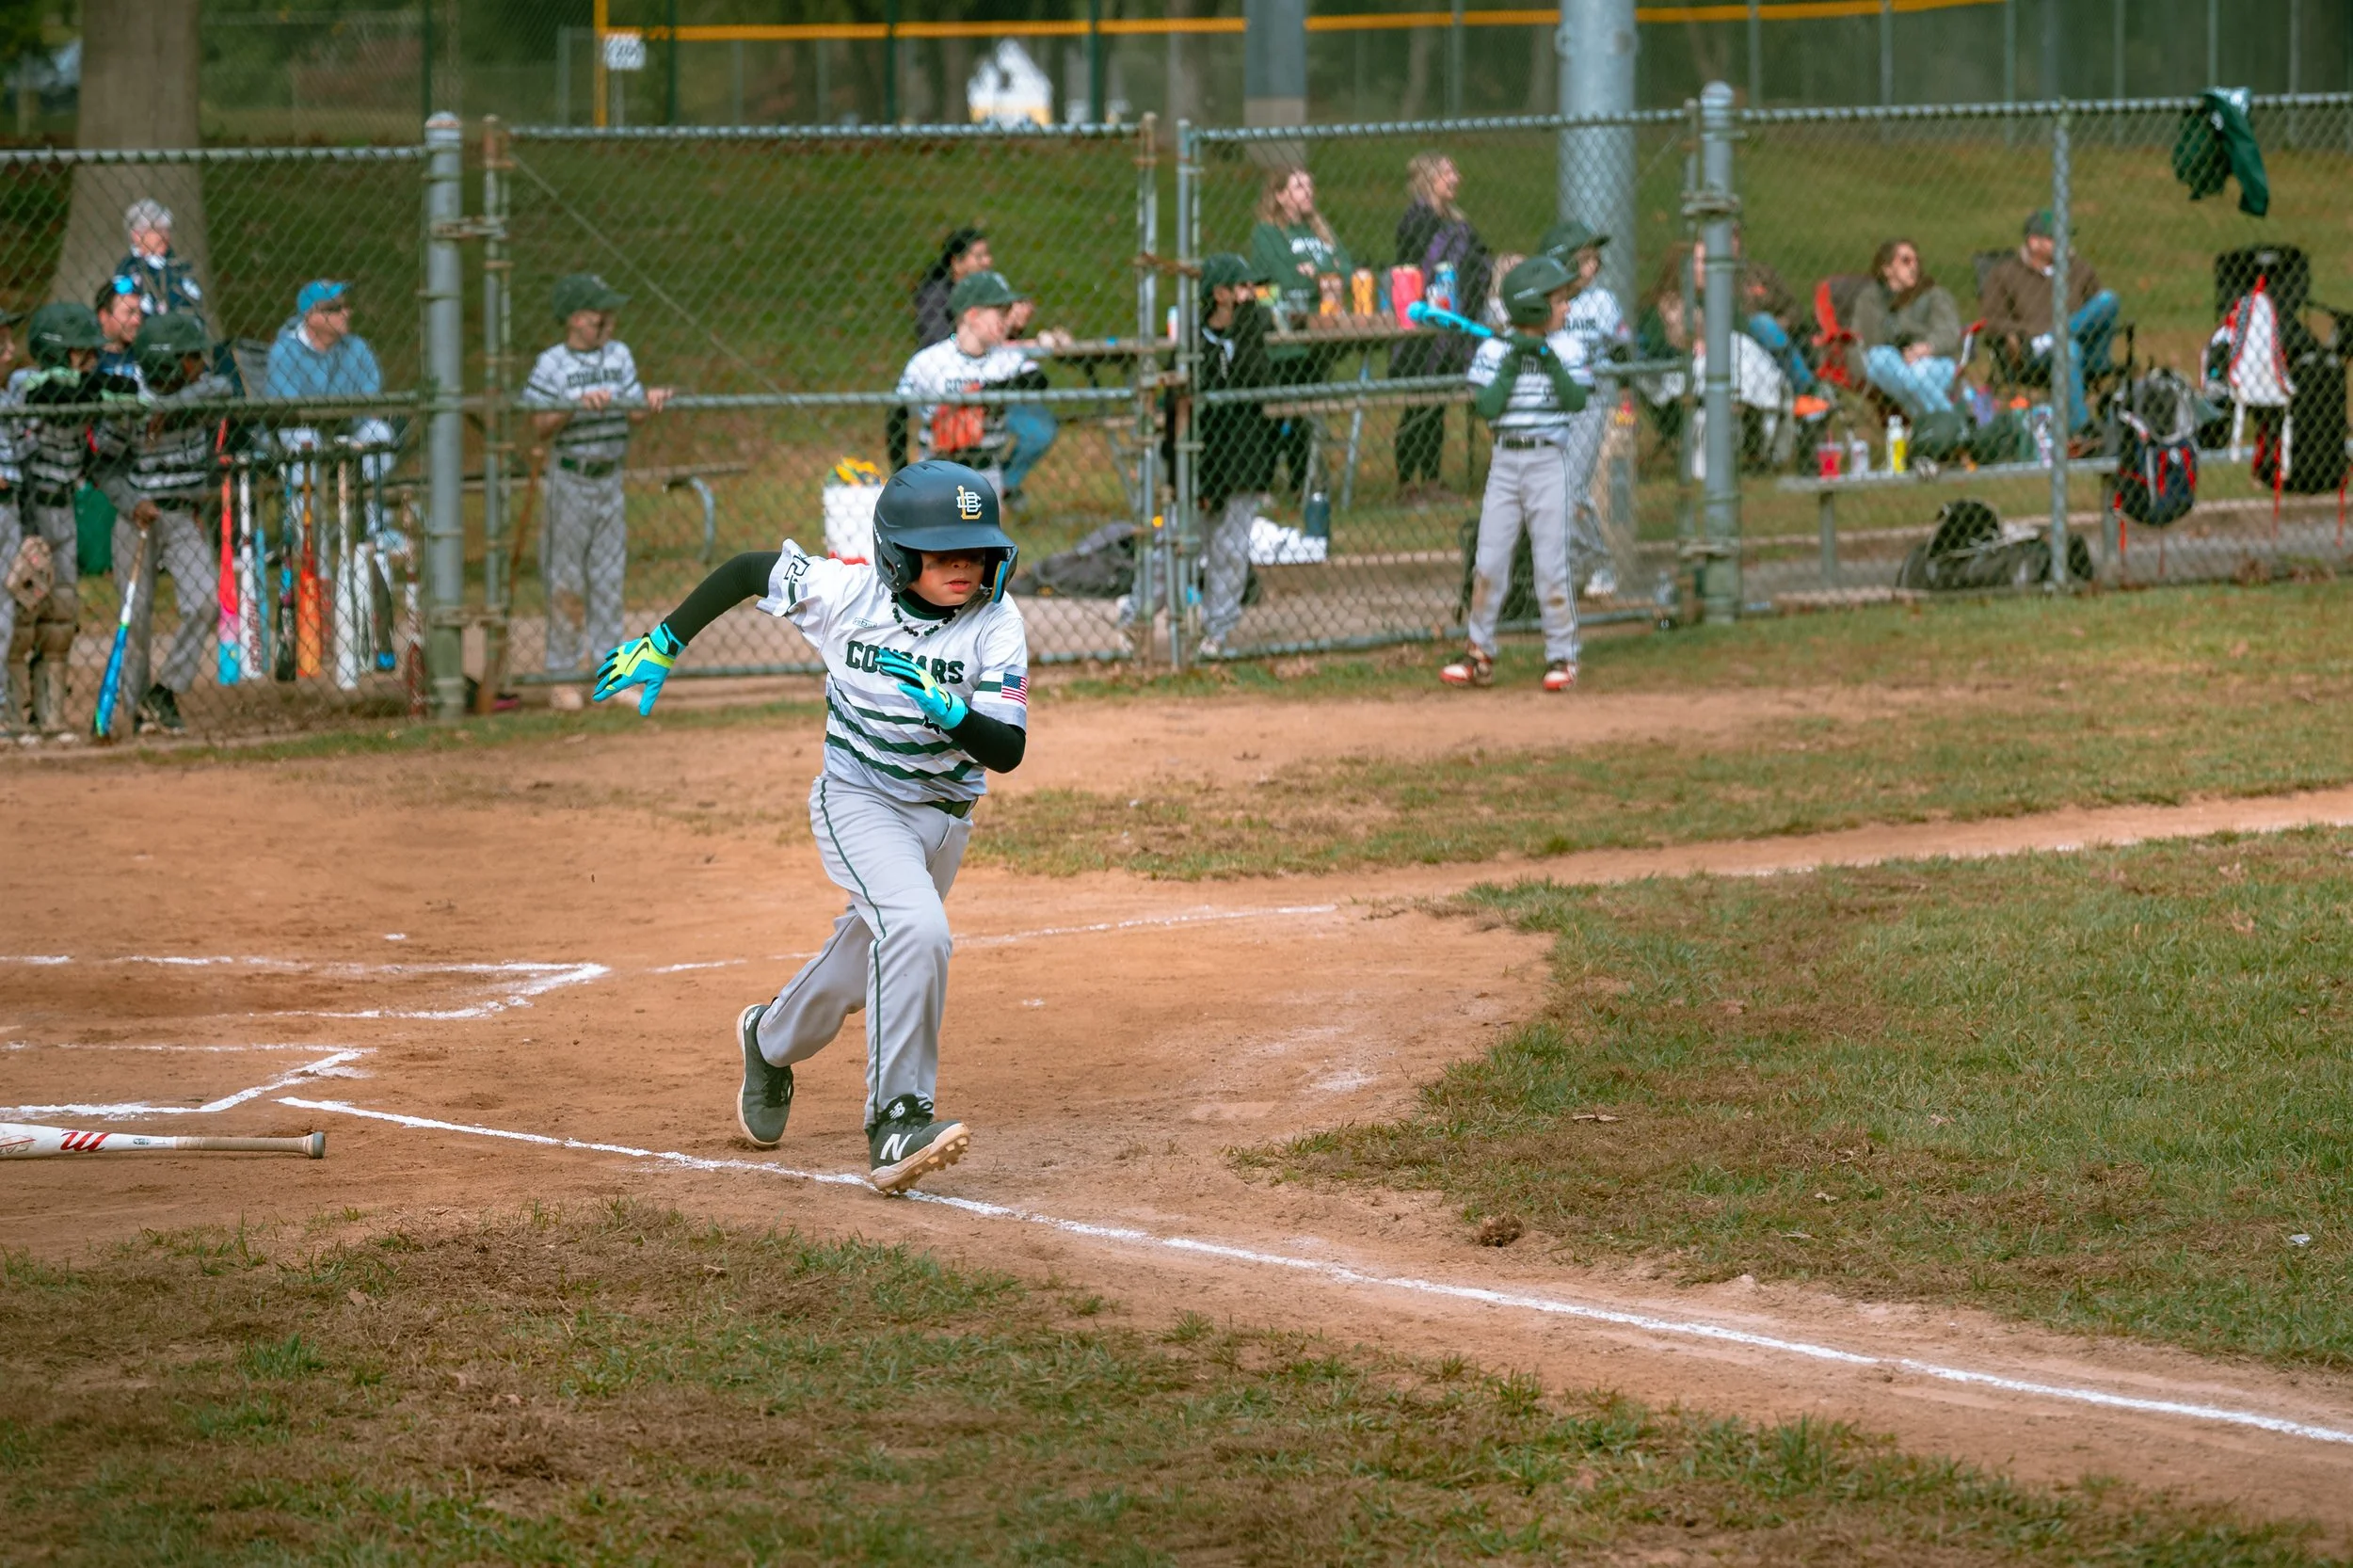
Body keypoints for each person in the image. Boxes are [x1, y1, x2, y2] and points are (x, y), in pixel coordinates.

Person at [589, 459, 1030, 1196]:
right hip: (859, 799)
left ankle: (768, 1040)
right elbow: (746, 570)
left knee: (866, 963)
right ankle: (896, 1120)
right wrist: (665, 641)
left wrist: (954, 714)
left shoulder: (996, 624)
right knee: (917, 930)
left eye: (977, 549)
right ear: (896, 556)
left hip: (945, 819)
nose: (964, 564)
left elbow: (1007, 750)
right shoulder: (846, 593)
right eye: (942, 550)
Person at [520, 271, 671, 710]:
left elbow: (633, 413)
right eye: (597, 314)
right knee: (566, 579)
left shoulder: (619, 355)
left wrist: (648, 401)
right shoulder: (553, 363)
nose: (607, 320)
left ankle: (612, 677)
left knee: (608, 580)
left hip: (610, 478)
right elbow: (539, 424)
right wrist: (574, 405)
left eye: (608, 313)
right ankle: (563, 676)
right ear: (573, 319)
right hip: (570, 478)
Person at [1444, 255, 1589, 694]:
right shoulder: (1493, 352)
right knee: (1488, 561)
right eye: (1559, 301)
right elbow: (1487, 408)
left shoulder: (1567, 347)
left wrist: (1544, 356)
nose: (1566, 309)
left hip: (1548, 462)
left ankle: (1562, 655)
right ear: (1533, 307)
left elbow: (1574, 400)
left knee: (1551, 564)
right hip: (1505, 463)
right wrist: (1512, 364)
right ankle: (1478, 653)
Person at [100, 312, 229, 735]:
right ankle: (136, 710)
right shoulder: (127, 402)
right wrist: (133, 501)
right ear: (167, 363)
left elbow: (226, 386)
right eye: (191, 359)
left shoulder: (201, 391)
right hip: (137, 519)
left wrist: (171, 408)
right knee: (135, 621)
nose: (201, 366)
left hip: (182, 517)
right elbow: (105, 469)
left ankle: (164, 692)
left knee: (205, 602)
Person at [4, 304, 121, 737]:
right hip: (29, 510)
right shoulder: (26, 383)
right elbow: (51, 392)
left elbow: (121, 400)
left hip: (66, 510)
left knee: (61, 616)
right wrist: (93, 389)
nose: (90, 359)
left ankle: (50, 717)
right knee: (22, 614)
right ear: (56, 352)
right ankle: (14, 716)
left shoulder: (92, 387)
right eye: (79, 352)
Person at [894, 269, 1056, 509]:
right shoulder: (931, 361)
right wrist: (899, 475)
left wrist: (982, 394)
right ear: (972, 315)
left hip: (986, 472)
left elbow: (1037, 379)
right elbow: (897, 414)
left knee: (989, 543)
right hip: (936, 471)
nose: (1007, 320)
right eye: (999, 313)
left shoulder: (1005, 359)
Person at [1183, 253, 1277, 661]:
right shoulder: (1195, 341)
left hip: (1241, 457)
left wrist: (1249, 327)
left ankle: (1217, 631)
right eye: (1241, 288)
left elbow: (1254, 379)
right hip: (1199, 458)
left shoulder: (1252, 330)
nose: (1249, 296)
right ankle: (1138, 617)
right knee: (1179, 543)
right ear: (1220, 294)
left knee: (1230, 549)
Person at [1538, 217, 1629, 598]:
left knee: (1570, 488)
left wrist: (1626, 400)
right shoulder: (1544, 304)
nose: (1594, 267)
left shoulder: (1602, 302)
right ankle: (1575, 566)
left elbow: (1624, 353)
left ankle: (1600, 562)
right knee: (1554, 489)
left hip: (1592, 403)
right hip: (1551, 404)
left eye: (1595, 259)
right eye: (1586, 258)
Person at [1248, 167, 1351, 496]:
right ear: (1279, 195)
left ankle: (1300, 485)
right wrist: (1324, 274)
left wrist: (1315, 272)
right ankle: (1266, 481)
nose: (1308, 192)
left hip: (1320, 337)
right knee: (1281, 410)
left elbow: (1347, 271)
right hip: (1283, 339)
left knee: (1306, 408)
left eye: (1309, 185)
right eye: (1298, 187)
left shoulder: (1320, 231)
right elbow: (1284, 278)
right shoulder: (1268, 233)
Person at [265, 280, 395, 537]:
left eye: (345, 306)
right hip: (302, 432)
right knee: (305, 441)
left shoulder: (357, 348)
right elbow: (289, 411)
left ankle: (377, 528)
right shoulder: (284, 351)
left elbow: (371, 401)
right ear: (311, 315)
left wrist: (343, 413)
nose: (346, 313)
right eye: (335, 309)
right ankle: (309, 537)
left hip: (348, 427)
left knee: (378, 433)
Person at [1392, 153, 1490, 495]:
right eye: (1448, 172)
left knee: (1438, 407)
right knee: (1418, 403)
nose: (1455, 178)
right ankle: (1407, 482)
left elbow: (1479, 260)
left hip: (1450, 322)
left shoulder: (1458, 224)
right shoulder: (1416, 219)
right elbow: (1415, 261)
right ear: (1430, 177)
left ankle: (1431, 479)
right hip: (1421, 322)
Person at [1979, 209, 2120, 431]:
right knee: (2068, 349)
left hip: (2086, 348)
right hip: (2034, 355)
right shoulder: (2005, 274)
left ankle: (2053, 338)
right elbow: (1993, 323)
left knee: (2108, 299)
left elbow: (2096, 312)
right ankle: (2081, 432)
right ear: (2034, 242)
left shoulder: (2079, 270)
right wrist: (2029, 333)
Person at [1853, 237, 1963, 424]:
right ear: (1886, 269)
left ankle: (1950, 427)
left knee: (1918, 375)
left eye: (1916, 261)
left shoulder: (1933, 294)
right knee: (1878, 358)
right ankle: (1947, 426)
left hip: (1934, 361)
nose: (1914, 266)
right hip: (1895, 363)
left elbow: (1949, 333)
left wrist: (1926, 348)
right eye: (1906, 261)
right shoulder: (1871, 298)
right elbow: (1871, 340)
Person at [114, 199, 205, 330]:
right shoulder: (127, 268)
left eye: (166, 230)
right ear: (137, 235)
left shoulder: (179, 265)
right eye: (157, 230)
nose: (164, 236)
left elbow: (194, 298)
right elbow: (126, 300)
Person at [94, 276, 144, 384]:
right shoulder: (89, 358)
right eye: (129, 312)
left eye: (139, 312)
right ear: (104, 316)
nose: (137, 321)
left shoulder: (146, 354)